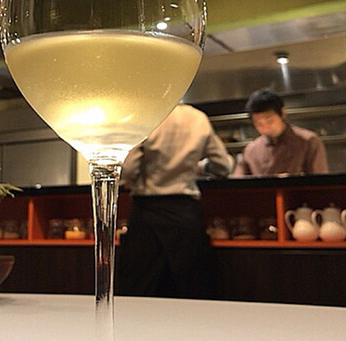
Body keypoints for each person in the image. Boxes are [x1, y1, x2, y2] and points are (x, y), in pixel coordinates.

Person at [117, 103, 233, 299]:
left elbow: (128, 169)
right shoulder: (198, 118)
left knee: (140, 288)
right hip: (186, 212)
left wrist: (135, 178)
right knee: (192, 286)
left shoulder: (147, 114)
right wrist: (202, 167)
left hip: (147, 212)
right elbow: (223, 166)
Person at [233, 88, 328, 177]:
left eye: (269, 120)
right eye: (258, 123)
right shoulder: (251, 150)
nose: (265, 126)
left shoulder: (308, 141)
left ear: (282, 113)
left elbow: (319, 182)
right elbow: (238, 182)